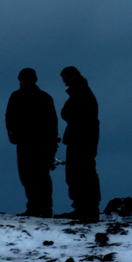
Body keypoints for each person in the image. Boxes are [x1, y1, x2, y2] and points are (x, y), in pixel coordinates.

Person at [5, 68, 58, 218]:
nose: (24, 82)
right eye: (22, 79)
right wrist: (12, 134)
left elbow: (52, 124)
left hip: (41, 145)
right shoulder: (16, 97)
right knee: (27, 177)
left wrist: (52, 146)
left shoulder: (44, 98)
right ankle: (34, 207)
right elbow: (9, 117)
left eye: (27, 79)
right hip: (24, 143)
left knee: (41, 177)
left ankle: (44, 209)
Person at [55, 66, 101, 222]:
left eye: (65, 78)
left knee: (81, 174)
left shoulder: (81, 93)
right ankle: (84, 208)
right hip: (82, 139)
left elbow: (69, 113)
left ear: (72, 76)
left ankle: (86, 209)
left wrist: (73, 119)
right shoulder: (81, 92)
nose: (64, 82)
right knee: (80, 174)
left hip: (82, 140)